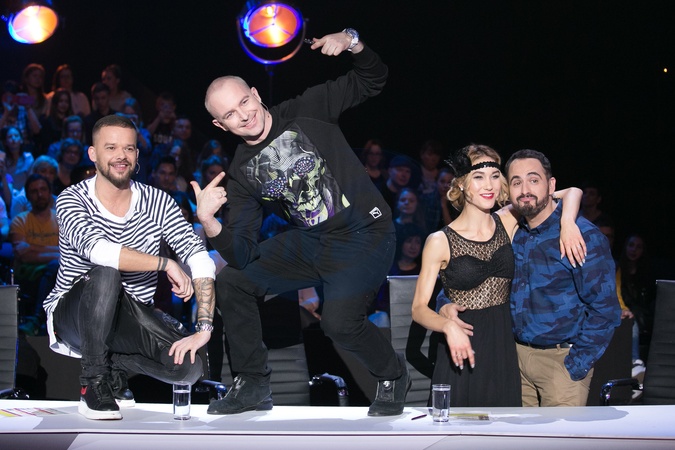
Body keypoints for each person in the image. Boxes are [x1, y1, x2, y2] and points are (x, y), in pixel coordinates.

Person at [197, 28, 410, 417]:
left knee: (338, 325)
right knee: (232, 280)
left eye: (244, 102)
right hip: (313, 242)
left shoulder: (307, 109)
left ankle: (392, 374)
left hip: (365, 234)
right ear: (220, 126)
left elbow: (373, 79)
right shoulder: (241, 172)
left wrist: (353, 41)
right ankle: (252, 383)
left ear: (256, 94)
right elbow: (241, 253)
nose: (243, 115)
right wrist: (209, 222)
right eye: (230, 114)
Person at [42, 115, 216, 420]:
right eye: (111, 147)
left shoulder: (158, 202)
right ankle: (93, 382)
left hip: (130, 316)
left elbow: (199, 256)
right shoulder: (72, 199)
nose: (121, 156)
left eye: (129, 148)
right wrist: (165, 263)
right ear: (93, 154)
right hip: (74, 316)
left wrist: (204, 327)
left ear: (137, 155)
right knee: (106, 273)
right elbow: (100, 251)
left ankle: (114, 367)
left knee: (189, 367)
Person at [411, 144, 585, 407]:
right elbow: (418, 309)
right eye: (479, 177)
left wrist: (568, 222)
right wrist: (448, 326)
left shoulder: (507, 219)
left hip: (503, 349)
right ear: (461, 184)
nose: (489, 185)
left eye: (494, 176)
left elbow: (572, 191)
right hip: (463, 347)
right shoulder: (439, 241)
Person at [506, 149, 621, 407]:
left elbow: (605, 309)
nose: (525, 190)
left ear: (551, 185)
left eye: (533, 180)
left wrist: (576, 365)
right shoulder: (514, 232)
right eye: (516, 182)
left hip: (560, 365)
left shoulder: (583, 235)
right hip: (515, 363)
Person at [10, 173, 59, 333]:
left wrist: (33, 247)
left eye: (43, 190)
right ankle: (38, 318)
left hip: (60, 272)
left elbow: (71, 252)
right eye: (34, 191)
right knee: (55, 265)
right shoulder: (20, 221)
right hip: (28, 274)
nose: (39, 194)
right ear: (28, 195)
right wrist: (58, 253)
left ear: (49, 192)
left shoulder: (61, 219)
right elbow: (23, 255)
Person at [615, 233, 655, 378]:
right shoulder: (618, 268)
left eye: (638, 247)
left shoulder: (647, 271)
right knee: (631, 320)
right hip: (625, 311)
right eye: (631, 245)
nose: (634, 250)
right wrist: (624, 309)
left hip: (643, 313)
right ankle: (634, 361)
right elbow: (617, 294)